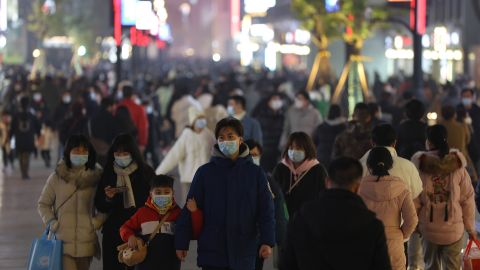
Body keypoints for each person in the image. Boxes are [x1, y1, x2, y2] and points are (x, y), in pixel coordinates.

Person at [175, 117, 275, 270]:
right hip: (212, 253)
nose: (225, 141)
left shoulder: (255, 174)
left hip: (244, 251)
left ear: (240, 140)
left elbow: (266, 211)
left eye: (230, 137)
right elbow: (189, 208)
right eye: (221, 138)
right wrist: (182, 242)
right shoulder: (205, 173)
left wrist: (267, 241)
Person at [280, 157, 392, 270]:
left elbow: (287, 263)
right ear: (358, 187)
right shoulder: (372, 225)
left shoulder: (302, 217)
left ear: (327, 182)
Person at [411, 125, 476, 270]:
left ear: (429, 141)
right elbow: (467, 199)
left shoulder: (420, 166)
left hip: (428, 227)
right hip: (454, 228)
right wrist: (470, 228)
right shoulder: (458, 165)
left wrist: (415, 224)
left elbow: (414, 199)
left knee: (430, 266)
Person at [37, 135, 104, 270]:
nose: (80, 154)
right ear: (68, 152)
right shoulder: (56, 177)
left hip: (86, 240)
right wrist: (52, 223)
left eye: (84, 151)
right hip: (63, 242)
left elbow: (105, 205)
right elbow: (43, 204)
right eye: (76, 151)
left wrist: (96, 222)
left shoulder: (96, 178)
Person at [94, 134, 155, 270]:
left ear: (133, 153)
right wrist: (108, 198)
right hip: (114, 232)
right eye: (117, 153)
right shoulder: (109, 173)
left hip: (140, 232)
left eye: (125, 153)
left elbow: (154, 202)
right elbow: (100, 205)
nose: (121, 156)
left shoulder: (146, 173)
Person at [119, 175, 203, 270]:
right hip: (145, 263)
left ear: (173, 193)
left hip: (170, 263)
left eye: (167, 192)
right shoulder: (142, 213)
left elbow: (194, 233)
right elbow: (124, 228)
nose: (162, 195)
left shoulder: (178, 213)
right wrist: (130, 236)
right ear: (151, 194)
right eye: (158, 192)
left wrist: (195, 212)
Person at [359, 147, 418, 270]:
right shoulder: (400, 187)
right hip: (394, 244)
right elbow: (412, 220)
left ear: (369, 164)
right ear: (390, 165)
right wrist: (401, 234)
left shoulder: (359, 188)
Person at [155, 108, 216, 204]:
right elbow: (173, 156)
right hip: (189, 180)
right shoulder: (186, 136)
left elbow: (216, 154)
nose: (202, 121)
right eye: (199, 118)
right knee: (188, 206)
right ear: (193, 120)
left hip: (206, 179)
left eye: (203, 118)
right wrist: (158, 173)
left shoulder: (209, 135)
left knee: (206, 206)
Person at [245, 139, 289, 270]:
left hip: (258, 238)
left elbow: (277, 209)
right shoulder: (233, 177)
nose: (253, 158)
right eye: (250, 155)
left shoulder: (267, 179)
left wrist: (275, 238)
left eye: (256, 155)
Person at [272, 132, 327, 217]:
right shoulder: (280, 168)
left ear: (307, 149)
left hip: (310, 220)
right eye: (291, 147)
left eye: (298, 148)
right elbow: (272, 193)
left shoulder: (318, 170)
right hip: (285, 220)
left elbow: (324, 197)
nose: (294, 151)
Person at [440, 105, 478, 182]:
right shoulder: (461, 127)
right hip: (461, 160)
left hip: (443, 161)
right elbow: (468, 140)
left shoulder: (438, 127)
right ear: (454, 114)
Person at [253, 93, 286, 172]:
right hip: (263, 151)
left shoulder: (282, 116)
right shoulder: (260, 115)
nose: (277, 102)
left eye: (278, 99)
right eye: (274, 99)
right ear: (268, 102)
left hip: (276, 152)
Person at [10, 96, 41, 179]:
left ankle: (23, 172)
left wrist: (10, 137)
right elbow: (38, 126)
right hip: (29, 139)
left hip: (19, 138)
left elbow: (12, 128)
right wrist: (38, 135)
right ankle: (25, 172)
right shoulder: (31, 115)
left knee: (21, 155)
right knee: (27, 156)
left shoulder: (16, 115)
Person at [118, 85, 149, 152]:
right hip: (134, 141)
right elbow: (143, 127)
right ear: (132, 94)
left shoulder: (117, 107)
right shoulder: (139, 108)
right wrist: (142, 143)